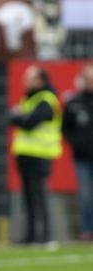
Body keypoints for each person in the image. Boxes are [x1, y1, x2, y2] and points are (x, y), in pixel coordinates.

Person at [9, 65, 61, 246]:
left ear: (40, 80)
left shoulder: (46, 99)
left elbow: (29, 121)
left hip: (40, 155)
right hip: (26, 154)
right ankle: (31, 236)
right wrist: (19, 117)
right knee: (29, 198)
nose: (25, 82)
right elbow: (15, 118)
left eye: (29, 78)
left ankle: (46, 236)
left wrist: (19, 116)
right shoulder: (30, 99)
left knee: (39, 196)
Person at [62, 64, 93, 242]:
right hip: (82, 157)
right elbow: (65, 128)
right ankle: (88, 231)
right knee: (85, 196)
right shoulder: (74, 102)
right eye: (88, 78)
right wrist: (76, 143)